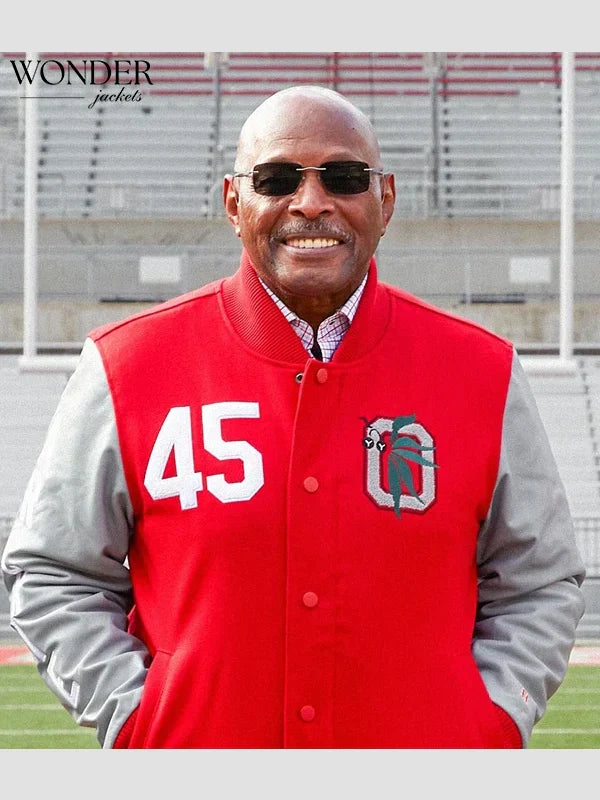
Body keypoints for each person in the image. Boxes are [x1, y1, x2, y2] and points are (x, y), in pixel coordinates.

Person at [1, 85, 585, 749]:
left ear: (385, 200)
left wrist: (487, 720)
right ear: (233, 202)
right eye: (277, 178)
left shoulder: (482, 371)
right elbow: (53, 572)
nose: (312, 202)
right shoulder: (126, 366)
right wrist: (140, 721)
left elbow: (540, 580)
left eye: (344, 177)